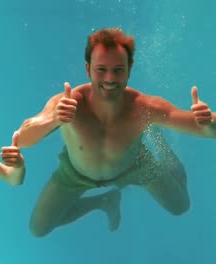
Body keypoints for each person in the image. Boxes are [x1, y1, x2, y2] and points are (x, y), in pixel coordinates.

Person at [17, 28, 215, 237]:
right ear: (88, 69)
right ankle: (103, 201)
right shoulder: (68, 103)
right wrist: (53, 119)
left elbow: (204, 129)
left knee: (180, 206)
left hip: (135, 165)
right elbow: (22, 139)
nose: (110, 78)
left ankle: (161, 145)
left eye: (118, 70)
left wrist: (208, 122)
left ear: (129, 69)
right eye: (101, 69)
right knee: (38, 229)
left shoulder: (145, 108)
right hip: (75, 173)